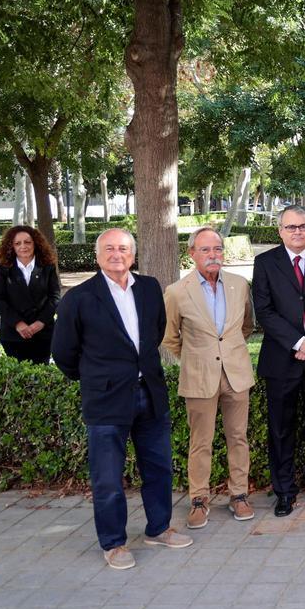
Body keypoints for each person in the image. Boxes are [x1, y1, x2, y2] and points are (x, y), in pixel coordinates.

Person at [51, 229, 192, 569]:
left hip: (149, 393)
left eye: (124, 248)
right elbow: (64, 353)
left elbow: (155, 332)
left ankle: (159, 528)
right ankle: (114, 542)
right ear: (98, 256)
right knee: (108, 477)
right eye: (110, 248)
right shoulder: (79, 298)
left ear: (133, 254)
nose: (117, 254)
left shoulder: (148, 288)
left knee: (158, 467)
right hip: (106, 400)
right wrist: (99, 379)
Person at [162, 227, 257, 528]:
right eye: (205, 250)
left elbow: (247, 326)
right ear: (192, 254)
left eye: (217, 249)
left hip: (236, 374)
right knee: (200, 441)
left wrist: (228, 352)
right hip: (199, 377)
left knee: (238, 437)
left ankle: (239, 495)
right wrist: (195, 358)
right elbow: (170, 336)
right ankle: (199, 500)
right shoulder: (177, 291)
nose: (213, 255)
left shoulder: (240, 285)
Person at [252, 205, 305, 517]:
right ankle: (284, 492)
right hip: (281, 360)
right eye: (291, 227)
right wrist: (298, 342)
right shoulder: (264, 263)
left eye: (303, 226)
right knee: (281, 429)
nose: (298, 231)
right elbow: (263, 311)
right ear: (280, 231)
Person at [0, 225, 60, 363]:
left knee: (41, 377)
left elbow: (55, 297)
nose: (23, 246)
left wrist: (40, 323)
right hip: (13, 334)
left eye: (27, 242)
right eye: (17, 243)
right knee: (18, 378)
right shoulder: (2, 269)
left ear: (35, 243)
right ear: (12, 246)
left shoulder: (48, 267)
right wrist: (18, 324)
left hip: (43, 334)